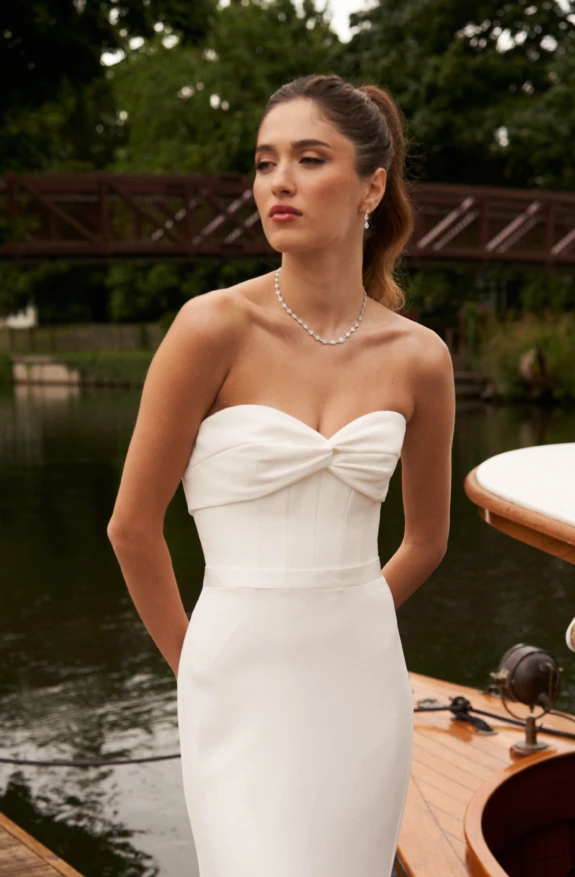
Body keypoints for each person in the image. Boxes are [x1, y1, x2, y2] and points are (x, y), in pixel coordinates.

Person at [107, 72, 455, 877]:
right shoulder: (210, 327)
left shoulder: (419, 357)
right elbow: (132, 527)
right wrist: (195, 660)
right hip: (233, 675)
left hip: (362, 682)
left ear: (372, 186)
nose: (279, 183)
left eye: (307, 158)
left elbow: (428, 540)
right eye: (265, 163)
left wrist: (349, 609)